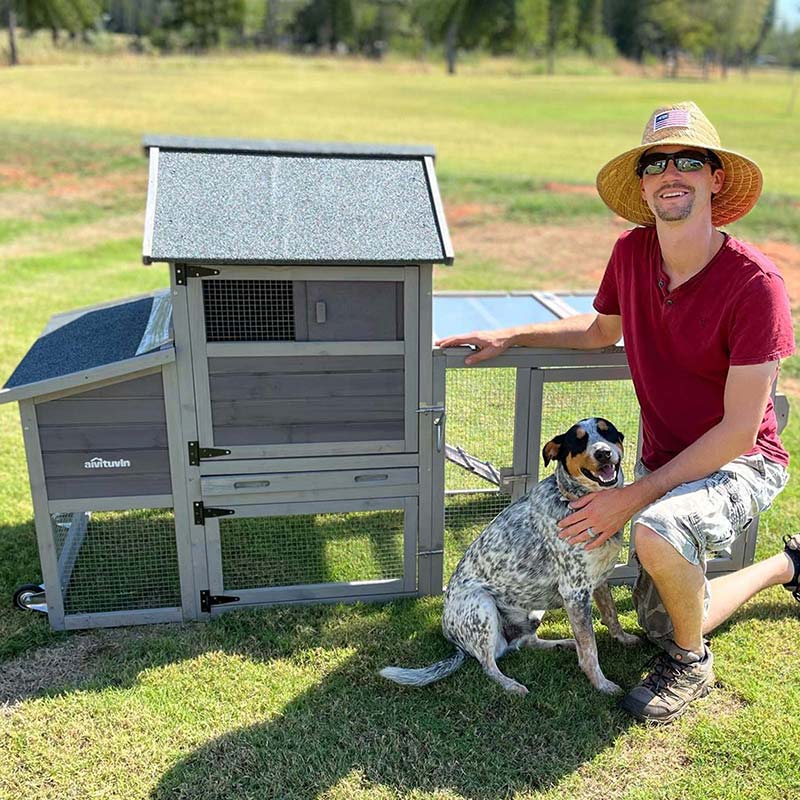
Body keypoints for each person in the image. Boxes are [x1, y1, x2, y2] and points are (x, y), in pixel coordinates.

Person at [436, 101, 799, 724]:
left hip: (742, 461)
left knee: (654, 535)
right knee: (661, 617)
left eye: (690, 159)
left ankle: (691, 666)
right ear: (643, 184)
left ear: (716, 178)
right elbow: (600, 331)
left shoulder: (755, 284)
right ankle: (790, 565)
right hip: (666, 461)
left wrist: (633, 498)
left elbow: (740, 430)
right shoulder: (631, 255)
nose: (671, 172)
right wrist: (511, 337)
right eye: (655, 163)